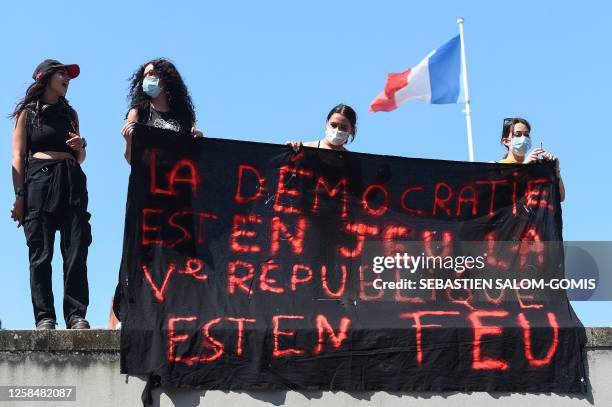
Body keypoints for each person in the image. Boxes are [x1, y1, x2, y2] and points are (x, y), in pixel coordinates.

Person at [10, 59, 91, 330]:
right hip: (39, 181)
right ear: (45, 78)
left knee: (76, 249)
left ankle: (76, 315)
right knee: (41, 253)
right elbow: (17, 157)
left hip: (71, 178)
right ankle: (45, 317)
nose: (67, 78)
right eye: (62, 74)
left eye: (68, 75)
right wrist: (19, 196)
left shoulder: (71, 113)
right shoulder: (28, 113)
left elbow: (80, 158)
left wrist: (81, 146)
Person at [121, 58, 204, 163]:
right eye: (144, 76)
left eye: (151, 74)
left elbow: (194, 157)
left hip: (176, 177)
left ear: (165, 78)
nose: (146, 79)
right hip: (150, 178)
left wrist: (200, 141)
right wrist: (129, 142)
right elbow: (130, 160)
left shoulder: (184, 116)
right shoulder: (138, 113)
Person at [499, 117, 565, 201]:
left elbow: (561, 197)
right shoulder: (496, 168)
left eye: (526, 135)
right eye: (517, 134)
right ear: (506, 141)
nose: (523, 138)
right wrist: (524, 167)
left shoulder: (535, 170)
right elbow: (499, 194)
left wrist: (555, 170)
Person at [286, 104, 357, 151]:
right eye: (333, 125)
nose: (337, 130)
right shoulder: (305, 149)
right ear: (327, 123)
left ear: (351, 130)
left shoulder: (353, 161)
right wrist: (287, 150)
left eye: (343, 127)